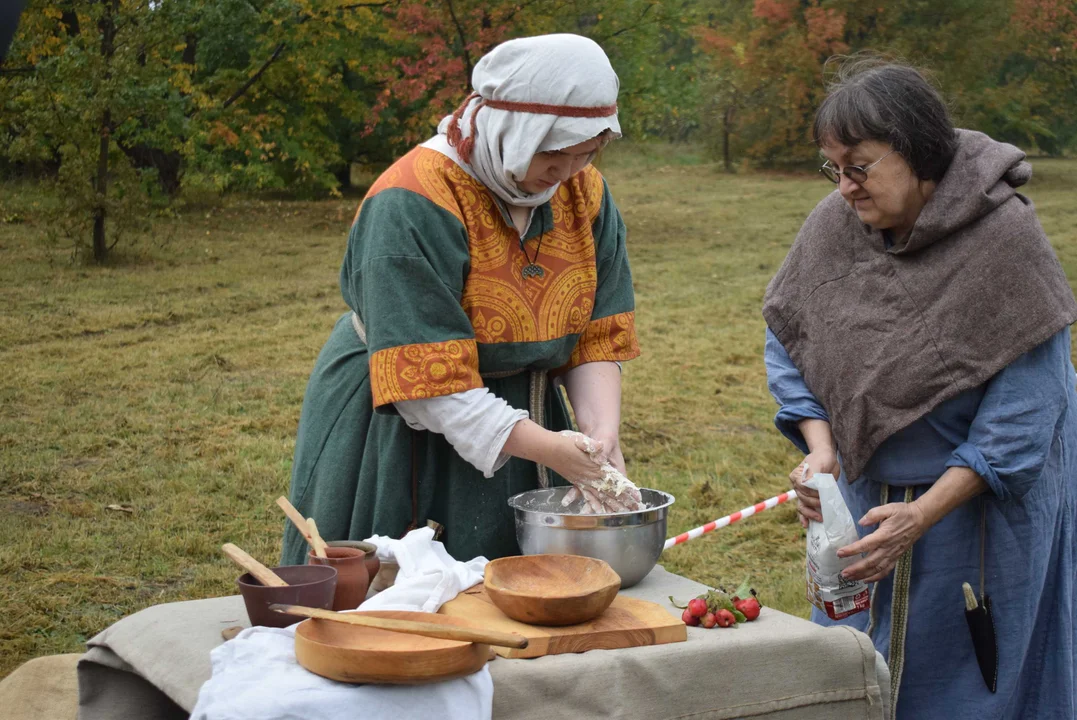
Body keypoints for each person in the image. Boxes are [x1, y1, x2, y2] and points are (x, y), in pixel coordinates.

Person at [763, 56, 1077, 718]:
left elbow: (1023, 415)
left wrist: (922, 515)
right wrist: (820, 447)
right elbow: (793, 334)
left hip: (979, 511)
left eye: (858, 166)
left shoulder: (1004, 243)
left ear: (916, 152)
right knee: (853, 670)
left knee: (975, 680)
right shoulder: (834, 226)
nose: (843, 186)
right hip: (867, 499)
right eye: (833, 168)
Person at [281, 34, 642, 567]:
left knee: (517, 598)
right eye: (552, 153)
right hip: (399, 419)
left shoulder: (583, 193)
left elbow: (594, 335)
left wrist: (599, 432)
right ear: (511, 128)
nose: (566, 173)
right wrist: (551, 449)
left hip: (530, 418)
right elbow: (430, 384)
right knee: (391, 608)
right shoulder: (414, 199)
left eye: (585, 154)